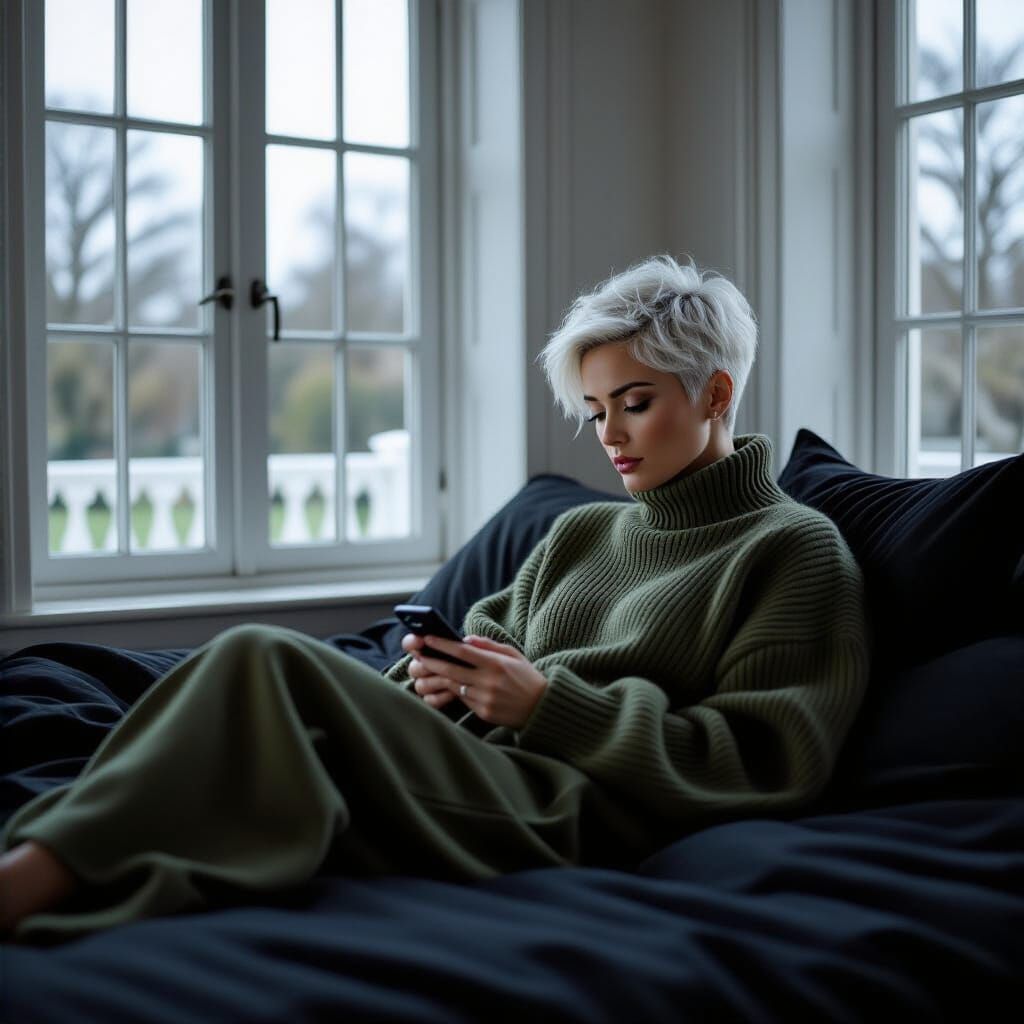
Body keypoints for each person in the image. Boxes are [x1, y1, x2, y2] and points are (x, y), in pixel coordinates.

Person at [0, 254, 871, 945]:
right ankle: (56, 855)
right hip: (465, 761)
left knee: (261, 656)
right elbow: (487, 633)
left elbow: (768, 763)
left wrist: (547, 705)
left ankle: (30, 879)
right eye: (596, 410)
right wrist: (435, 678)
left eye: (634, 405)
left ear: (715, 394)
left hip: (565, 809)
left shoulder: (793, 551)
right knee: (254, 693)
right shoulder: (584, 534)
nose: (609, 436)